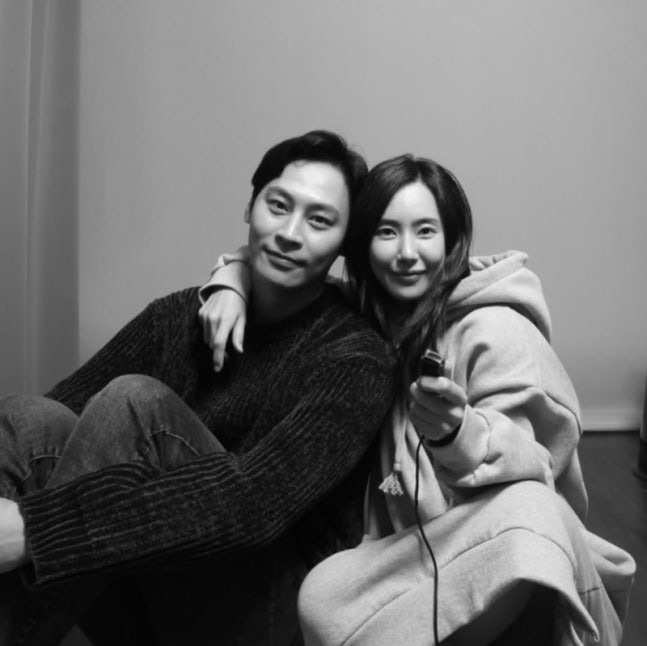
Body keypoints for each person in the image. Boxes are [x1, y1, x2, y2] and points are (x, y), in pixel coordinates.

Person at [198, 154, 635, 645]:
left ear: (451, 239)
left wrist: (458, 433)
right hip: (400, 560)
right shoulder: (371, 316)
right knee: (321, 594)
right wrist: (233, 280)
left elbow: (534, 470)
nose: (406, 253)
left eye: (425, 231)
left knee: (531, 511)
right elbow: (292, 275)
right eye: (387, 233)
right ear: (363, 244)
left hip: (496, 560)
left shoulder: (497, 329)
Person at [0, 130, 398, 645]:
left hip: (268, 617)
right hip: (149, 590)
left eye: (319, 221)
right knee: (29, 417)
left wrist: (37, 533)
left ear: (344, 242)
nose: (289, 233)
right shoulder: (179, 316)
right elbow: (49, 430)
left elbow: (255, 506)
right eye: (278, 206)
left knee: (136, 403)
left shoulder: (355, 356)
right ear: (250, 207)